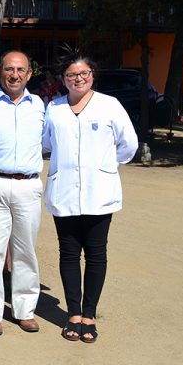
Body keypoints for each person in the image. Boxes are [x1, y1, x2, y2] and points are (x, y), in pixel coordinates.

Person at [42, 51, 138, 344]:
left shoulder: (110, 105)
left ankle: (89, 315)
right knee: (68, 254)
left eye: (84, 74)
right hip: (64, 191)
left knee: (96, 254)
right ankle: (72, 313)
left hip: (100, 191)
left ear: (92, 75)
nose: (78, 79)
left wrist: (104, 167)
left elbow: (128, 145)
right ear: (63, 79)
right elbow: (47, 143)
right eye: (72, 75)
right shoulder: (55, 108)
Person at [0, 51, 45, 336]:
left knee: (25, 250)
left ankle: (25, 309)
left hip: (28, 185)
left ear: (29, 74)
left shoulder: (40, 105)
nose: (14, 75)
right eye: (9, 69)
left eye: (20, 70)